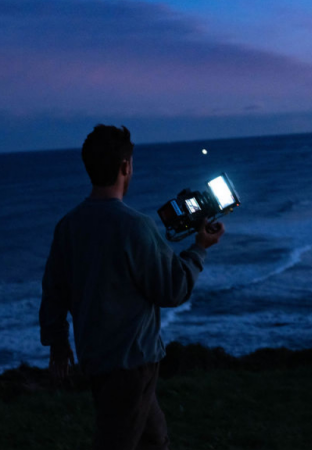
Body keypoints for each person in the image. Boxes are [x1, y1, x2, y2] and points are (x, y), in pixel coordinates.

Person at [39, 124, 225, 450]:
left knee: (154, 437)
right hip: (132, 362)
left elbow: (54, 290)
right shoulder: (135, 226)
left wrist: (57, 341)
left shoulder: (68, 226)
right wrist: (199, 249)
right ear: (126, 166)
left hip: (96, 357)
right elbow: (173, 289)